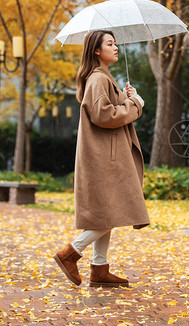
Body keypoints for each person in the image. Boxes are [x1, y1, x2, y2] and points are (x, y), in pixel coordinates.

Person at [53, 30, 149, 287]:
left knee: (108, 212)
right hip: (105, 158)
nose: (115, 47)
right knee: (114, 211)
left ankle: (99, 268)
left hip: (108, 155)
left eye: (115, 43)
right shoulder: (98, 79)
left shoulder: (104, 78)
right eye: (110, 43)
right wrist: (135, 104)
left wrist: (128, 96)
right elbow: (103, 115)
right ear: (97, 50)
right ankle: (69, 253)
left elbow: (108, 109)